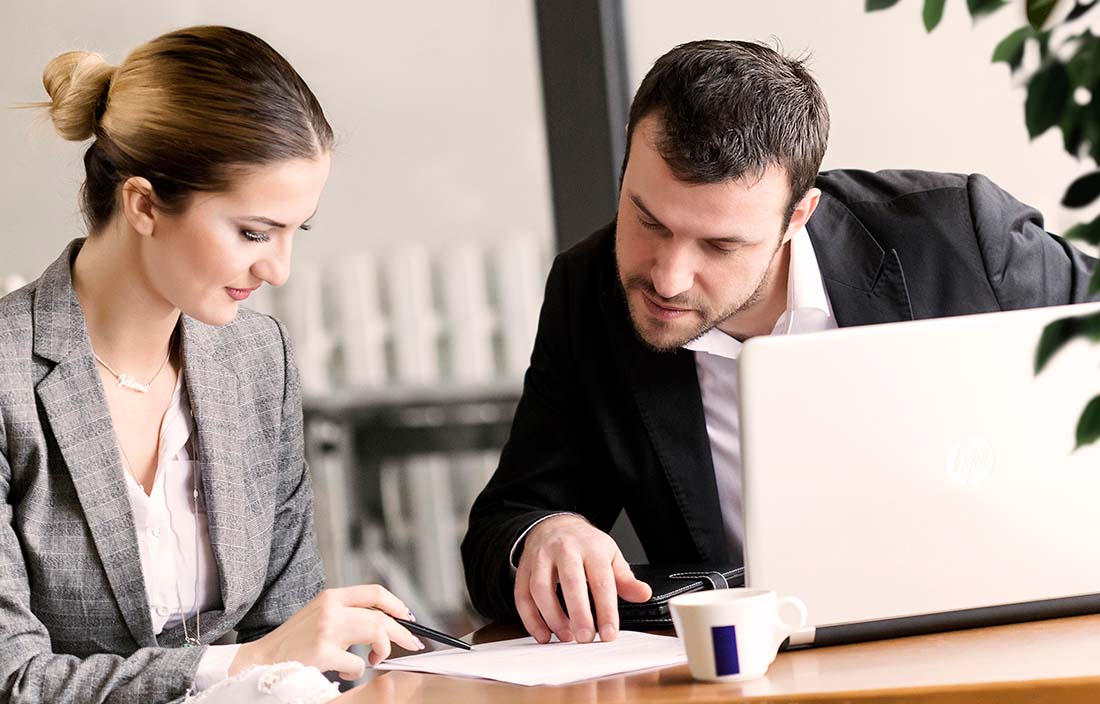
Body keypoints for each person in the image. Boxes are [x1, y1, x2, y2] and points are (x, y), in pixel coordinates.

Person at [461, 39, 1099, 645]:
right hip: (763, 675)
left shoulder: (963, 238)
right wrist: (545, 534)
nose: (667, 276)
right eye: (648, 221)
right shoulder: (590, 292)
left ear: (799, 217)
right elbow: (503, 524)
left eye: (719, 245)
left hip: (1016, 635)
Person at [0, 26, 424, 704]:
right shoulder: (7, 379)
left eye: (294, 232)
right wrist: (243, 664)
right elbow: (13, 681)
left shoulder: (257, 361)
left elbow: (291, 632)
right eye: (254, 232)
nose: (278, 270)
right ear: (142, 204)